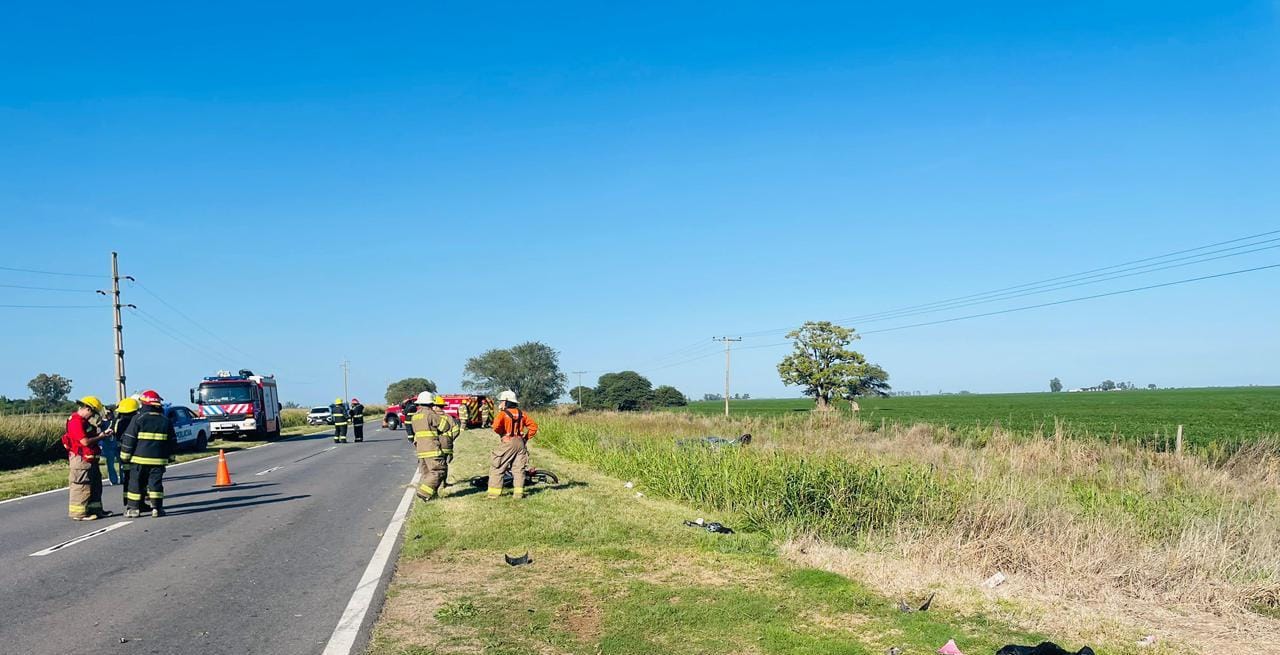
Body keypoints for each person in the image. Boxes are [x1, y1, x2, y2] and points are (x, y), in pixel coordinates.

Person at [121, 390, 176, 518]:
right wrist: (170, 457)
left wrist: (125, 457)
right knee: (155, 484)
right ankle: (157, 508)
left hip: (139, 460)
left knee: (136, 484)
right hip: (158, 461)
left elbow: (129, 439)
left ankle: (134, 509)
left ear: (144, 404)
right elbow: (172, 442)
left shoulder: (138, 418)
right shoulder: (165, 420)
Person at [62, 395, 112, 521]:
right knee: (82, 486)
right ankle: (79, 513)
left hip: (89, 459)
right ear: (88, 409)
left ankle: (95, 510)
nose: (92, 416)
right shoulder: (76, 421)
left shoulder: (84, 422)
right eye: (93, 413)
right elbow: (84, 442)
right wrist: (101, 437)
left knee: (95, 485)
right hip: (80, 460)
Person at [487, 390, 539, 499]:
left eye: (501, 401)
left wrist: (503, 435)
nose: (500, 403)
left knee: (498, 466)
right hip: (520, 443)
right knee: (518, 469)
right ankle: (518, 494)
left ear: (506, 402)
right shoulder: (522, 414)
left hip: (508, 442)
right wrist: (525, 438)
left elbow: (495, 427)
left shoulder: (502, 414)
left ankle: (493, 494)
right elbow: (533, 427)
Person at [409, 391, 454, 501]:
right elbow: (446, 427)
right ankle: (423, 492)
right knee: (439, 470)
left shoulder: (415, 417)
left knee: (427, 473)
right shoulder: (430, 415)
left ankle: (431, 496)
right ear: (431, 403)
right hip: (432, 448)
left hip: (420, 450)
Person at [112, 397, 142, 507]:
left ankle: (127, 500)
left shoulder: (118, 422)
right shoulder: (136, 422)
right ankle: (137, 502)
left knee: (127, 477)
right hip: (135, 453)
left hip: (123, 453)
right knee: (137, 478)